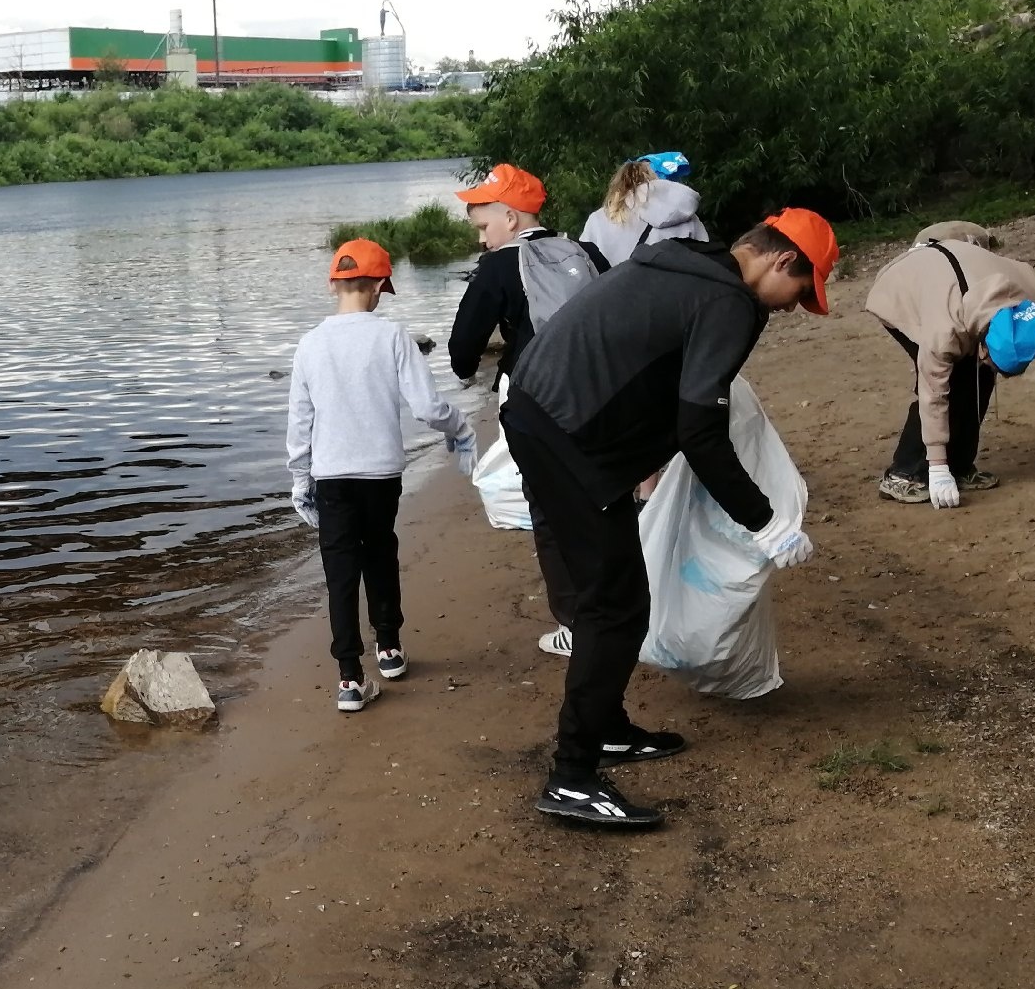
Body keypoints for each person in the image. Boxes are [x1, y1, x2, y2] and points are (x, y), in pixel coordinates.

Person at [500, 210, 837, 828]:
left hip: (537, 408)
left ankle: (606, 730)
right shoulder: (730, 303)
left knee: (617, 592)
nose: (794, 308)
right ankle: (573, 775)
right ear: (782, 261)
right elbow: (700, 431)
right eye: (801, 293)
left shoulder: (681, 261)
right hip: (567, 436)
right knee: (616, 608)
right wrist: (765, 523)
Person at [288, 238, 474, 713]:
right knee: (381, 552)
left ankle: (350, 678)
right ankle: (389, 649)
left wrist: (299, 478)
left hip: (331, 475)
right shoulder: (392, 337)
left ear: (334, 284)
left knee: (340, 572)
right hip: (381, 473)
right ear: (377, 288)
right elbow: (429, 407)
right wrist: (460, 426)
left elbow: (300, 422)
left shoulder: (310, 344)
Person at [444, 162, 605, 660]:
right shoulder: (588, 252)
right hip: (600, 393)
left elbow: (462, 345)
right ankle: (618, 604)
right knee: (601, 497)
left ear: (510, 218)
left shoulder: (497, 267)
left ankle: (576, 625)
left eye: (483, 225)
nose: (481, 239)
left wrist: (468, 370)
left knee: (549, 509)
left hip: (537, 402)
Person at [864, 223, 1035, 507]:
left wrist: (989, 363)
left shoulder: (1028, 294)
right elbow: (933, 394)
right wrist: (938, 467)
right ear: (984, 343)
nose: (989, 363)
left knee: (980, 375)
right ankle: (904, 473)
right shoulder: (944, 333)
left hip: (955, 278)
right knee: (952, 381)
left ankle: (961, 465)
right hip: (902, 292)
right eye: (990, 357)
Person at [579, 152, 711, 269]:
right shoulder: (685, 215)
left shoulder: (598, 220)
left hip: (618, 294)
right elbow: (708, 262)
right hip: (679, 294)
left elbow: (586, 267)